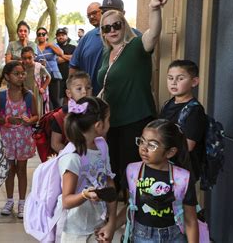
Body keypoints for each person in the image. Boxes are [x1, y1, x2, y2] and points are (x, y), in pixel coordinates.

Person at [97, 0, 171, 193]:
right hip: (112, 122)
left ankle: (133, 219)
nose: (112, 30)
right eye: (106, 28)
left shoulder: (137, 46)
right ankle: (116, 219)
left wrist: (153, 10)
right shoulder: (106, 54)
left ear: (124, 26)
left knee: (135, 175)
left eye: (116, 25)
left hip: (136, 120)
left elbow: (153, 34)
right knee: (113, 171)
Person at [116, 119, 199, 242]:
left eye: (152, 145)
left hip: (175, 237)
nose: (144, 148)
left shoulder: (182, 178)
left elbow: (190, 220)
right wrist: (111, 227)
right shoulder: (132, 171)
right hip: (141, 236)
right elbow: (130, 206)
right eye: (142, 141)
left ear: (170, 152)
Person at [57, 97, 116, 242]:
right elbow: (66, 201)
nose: (110, 123)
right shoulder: (72, 157)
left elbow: (109, 183)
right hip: (76, 231)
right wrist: (85, 195)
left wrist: (111, 222)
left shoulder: (102, 146)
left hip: (98, 225)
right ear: (99, 125)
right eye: (108, 120)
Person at [0, 61, 38, 218]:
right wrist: (7, 120)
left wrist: (29, 121)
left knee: (22, 169)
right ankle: (10, 200)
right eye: (16, 74)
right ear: (7, 76)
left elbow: (36, 116)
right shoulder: (2, 96)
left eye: (22, 73)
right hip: (8, 138)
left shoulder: (29, 96)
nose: (21, 76)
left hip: (24, 138)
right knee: (10, 170)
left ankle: (22, 202)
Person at [160, 60, 206, 180]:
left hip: (183, 169)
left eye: (180, 79)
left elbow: (189, 145)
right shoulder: (168, 104)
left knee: (181, 199)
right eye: (170, 78)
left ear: (194, 81)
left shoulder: (194, 110)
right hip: (165, 163)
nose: (174, 82)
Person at [50, 71, 92, 153]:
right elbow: (55, 144)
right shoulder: (60, 115)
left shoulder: (95, 111)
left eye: (88, 88)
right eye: (79, 89)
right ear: (69, 93)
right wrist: (75, 155)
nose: (84, 92)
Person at [36, 27, 64, 110]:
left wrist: (50, 45)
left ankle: (59, 119)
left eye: (43, 34)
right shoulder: (35, 48)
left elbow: (61, 53)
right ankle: (46, 120)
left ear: (47, 36)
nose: (41, 36)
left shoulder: (52, 45)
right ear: (37, 36)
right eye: (39, 34)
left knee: (54, 99)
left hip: (53, 75)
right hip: (41, 77)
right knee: (43, 100)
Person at [21, 46, 51, 117]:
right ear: (21, 58)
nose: (27, 60)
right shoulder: (21, 67)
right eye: (24, 58)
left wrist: (43, 88)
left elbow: (48, 77)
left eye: (29, 58)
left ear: (34, 56)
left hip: (36, 92)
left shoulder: (39, 67)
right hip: (24, 92)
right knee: (25, 109)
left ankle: (37, 124)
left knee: (36, 110)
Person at [55, 27, 77, 103]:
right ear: (56, 37)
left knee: (71, 100)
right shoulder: (54, 48)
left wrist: (61, 56)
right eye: (59, 35)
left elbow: (75, 58)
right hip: (57, 79)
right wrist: (69, 57)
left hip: (70, 77)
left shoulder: (73, 47)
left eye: (63, 35)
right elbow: (56, 60)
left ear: (67, 36)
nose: (61, 37)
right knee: (59, 102)